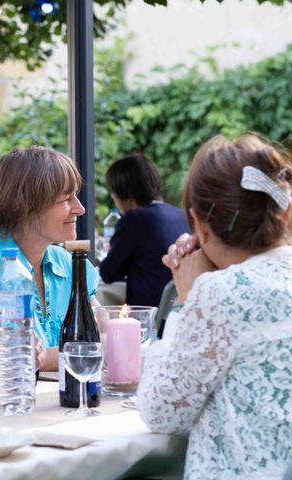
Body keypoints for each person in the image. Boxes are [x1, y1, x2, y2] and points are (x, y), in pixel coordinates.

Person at [137, 134, 292, 479]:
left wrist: (186, 301)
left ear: (199, 224)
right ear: (285, 211)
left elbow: (161, 412)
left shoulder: (219, 294)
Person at [0, 146, 100, 371]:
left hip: (71, 401)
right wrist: (70, 353)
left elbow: (102, 338)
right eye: (66, 199)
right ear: (26, 206)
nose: (80, 209)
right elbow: (6, 358)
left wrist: (46, 357)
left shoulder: (69, 264)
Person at [99, 153, 189, 307]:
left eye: (113, 191)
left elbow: (108, 273)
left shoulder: (134, 219)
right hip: (178, 308)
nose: (112, 196)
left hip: (148, 315)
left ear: (124, 192)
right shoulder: (181, 215)